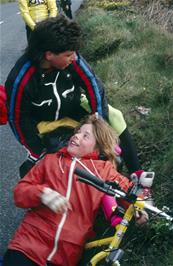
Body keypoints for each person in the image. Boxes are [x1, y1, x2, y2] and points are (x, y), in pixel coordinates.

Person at [5, 15, 154, 197]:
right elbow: (17, 118)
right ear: (49, 54)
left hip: (74, 108)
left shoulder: (73, 60)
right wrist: (37, 151)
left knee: (114, 115)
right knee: (53, 156)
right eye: (68, 55)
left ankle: (136, 172)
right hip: (43, 121)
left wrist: (99, 121)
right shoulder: (21, 78)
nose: (74, 58)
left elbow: (93, 84)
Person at [3, 114, 147, 266]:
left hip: (66, 255)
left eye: (85, 136)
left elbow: (132, 192)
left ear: (98, 147)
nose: (76, 136)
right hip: (28, 243)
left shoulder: (105, 171)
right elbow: (19, 193)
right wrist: (42, 193)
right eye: (77, 132)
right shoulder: (50, 160)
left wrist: (141, 208)